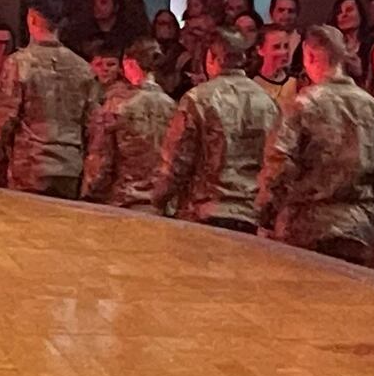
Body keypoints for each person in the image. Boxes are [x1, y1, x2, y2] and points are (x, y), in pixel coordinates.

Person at [256, 25, 374, 264]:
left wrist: (264, 214)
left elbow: (279, 165)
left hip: (304, 227)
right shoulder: (372, 107)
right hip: (358, 227)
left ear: (311, 56)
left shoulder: (301, 105)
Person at [153, 28, 279, 233]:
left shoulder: (198, 99)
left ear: (211, 57)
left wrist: (159, 199)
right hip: (250, 215)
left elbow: (178, 161)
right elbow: (275, 162)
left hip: (204, 212)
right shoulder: (267, 102)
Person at [0, 0, 101, 199]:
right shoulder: (83, 68)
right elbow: (94, 126)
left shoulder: (19, 64)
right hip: (70, 169)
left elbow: (2, 123)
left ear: (32, 19)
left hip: (30, 168)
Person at [82, 38, 177, 210]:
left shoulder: (118, 106)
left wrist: (89, 193)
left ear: (129, 63)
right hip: (162, 204)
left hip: (126, 199)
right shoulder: (174, 106)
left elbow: (101, 162)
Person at [251, 25, 300, 106]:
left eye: (286, 46)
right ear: (260, 50)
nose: (283, 52)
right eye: (276, 47)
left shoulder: (293, 82)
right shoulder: (251, 82)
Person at [329, 0, 372, 85]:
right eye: (339, 12)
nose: (344, 15)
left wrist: (361, 72)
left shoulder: (372, 45)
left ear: (361, 13)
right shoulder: (331, 46)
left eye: (349, 10)